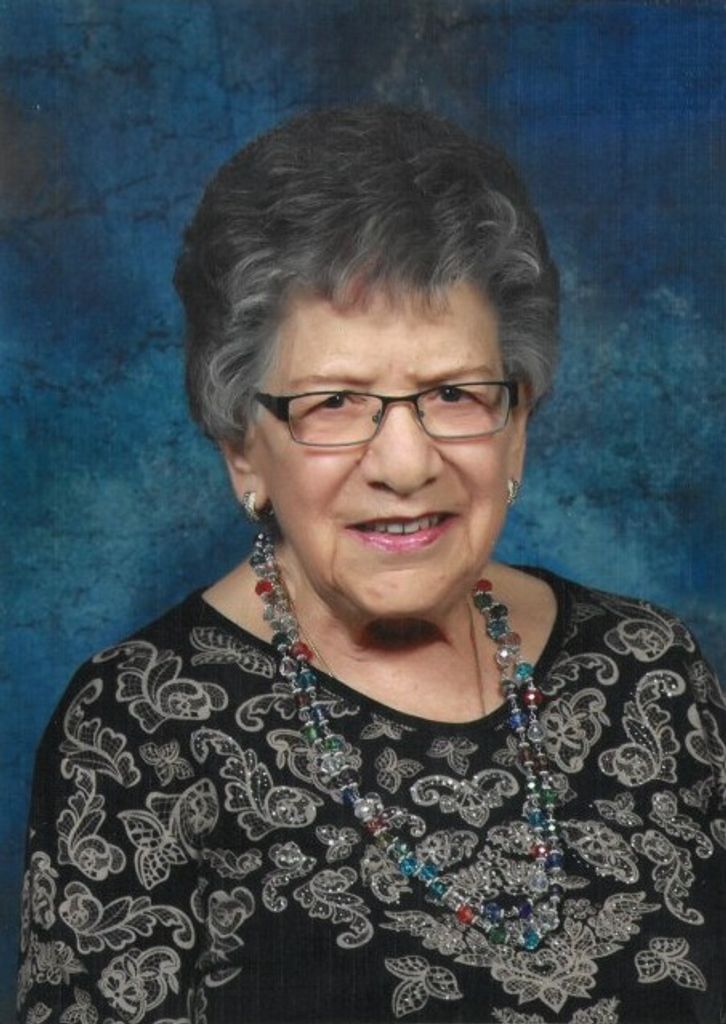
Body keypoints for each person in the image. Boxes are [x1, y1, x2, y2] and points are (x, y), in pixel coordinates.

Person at [17, 105, 725, 1024]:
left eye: (455, 393)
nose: (405, 463)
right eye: (336, 402)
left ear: (517, 424)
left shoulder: (650, 671)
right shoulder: (138, 732)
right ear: (243, 447)